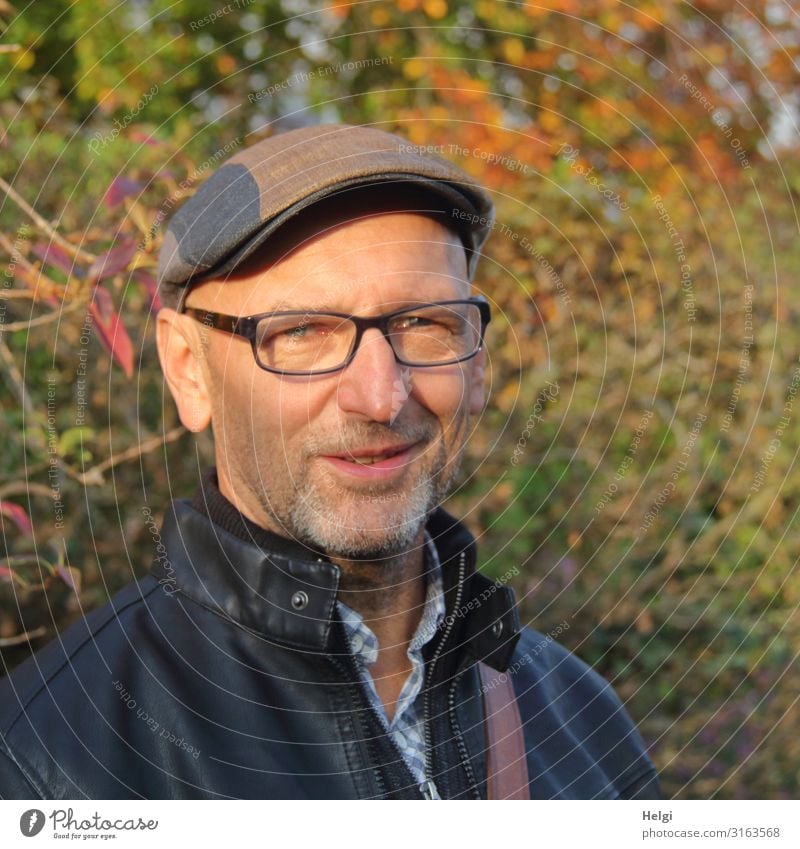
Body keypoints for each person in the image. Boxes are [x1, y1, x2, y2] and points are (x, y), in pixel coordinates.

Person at [0, 124, 660, 800]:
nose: (379, 396)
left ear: (479, 360)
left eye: (425, 324)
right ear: (187, 369)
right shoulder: (52, 763)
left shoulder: (581, 721)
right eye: (302, 333)